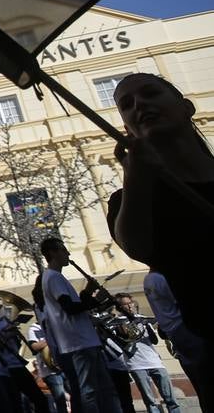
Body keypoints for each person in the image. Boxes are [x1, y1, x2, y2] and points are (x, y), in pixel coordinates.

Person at [106, 72, 214, 410]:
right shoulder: (130, 199)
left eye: (151, 93)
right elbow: (137, 245)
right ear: (128, 130)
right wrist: (135, 175)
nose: (140, 105)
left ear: (186, 107)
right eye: (127, 105)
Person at [39, 237, 123, 413]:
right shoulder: (53, 277)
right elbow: (69, 308)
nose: (68, 254)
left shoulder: (56, 277)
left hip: (85, 341)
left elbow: (71, 305)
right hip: (79, 344)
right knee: (90, 392)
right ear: (52, 253)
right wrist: (95, 301)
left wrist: (87, 292)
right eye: (63, 250)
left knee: (106, 390)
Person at [113, 293, 181, 413]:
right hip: (136, 365)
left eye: (131, 303)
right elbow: (123, 341)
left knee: (171, 399)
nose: (130, 306)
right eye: (126, 304)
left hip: (155, 362)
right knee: (150, 402)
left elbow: (154, 341)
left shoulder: (142, 318)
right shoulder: (117, 322)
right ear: (119, 307)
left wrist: (146, 325)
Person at [143, 270, 206, 397]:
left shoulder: (148, 279)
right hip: (185, 330)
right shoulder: (162, 278)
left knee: (200, 383)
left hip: (175, 334)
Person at [26, 287, 69, 413]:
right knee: (60, 400)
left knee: (76, 394)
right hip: (50, 370)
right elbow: (34, 347)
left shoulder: (56, 322)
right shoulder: (33, 328)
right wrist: (50, 338)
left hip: (64, 365)